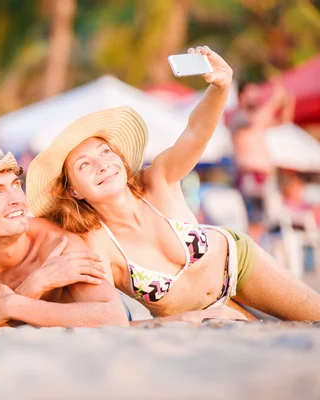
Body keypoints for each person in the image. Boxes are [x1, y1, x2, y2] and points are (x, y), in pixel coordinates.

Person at [26, 46, 320, 322]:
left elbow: (195, 133)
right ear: (73, 190)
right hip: (203, 314)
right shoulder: (95, 242)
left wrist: (219, 89)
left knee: (314, 315)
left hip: (239, 265)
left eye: (105, 152)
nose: (102, 164)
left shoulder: (158, 180)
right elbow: (108, 317)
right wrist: (191, 319)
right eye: (84, 165)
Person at [0, 139, 130, 329]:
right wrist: (33, 285)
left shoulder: (58, 244)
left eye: (15, 185)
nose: (16, 199)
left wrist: (14, 305)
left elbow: (114, 316)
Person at [227, 80, 295, 241]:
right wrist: (275, 100)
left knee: (267, 219)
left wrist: (288, 103)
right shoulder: (237, 116)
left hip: (263, 176)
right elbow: (257, 120)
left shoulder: (256, 118)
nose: (256, 97)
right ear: (241, 95)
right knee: (255, 221)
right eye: (251, 92)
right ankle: (249, 254)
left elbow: (283, 121)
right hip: (250, 175)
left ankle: (253, 252)